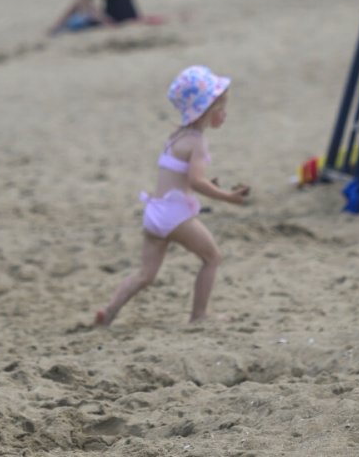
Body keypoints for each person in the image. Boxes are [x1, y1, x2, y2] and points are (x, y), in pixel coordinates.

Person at [95, 66, 248, 325]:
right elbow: (196, 181)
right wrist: (227, 196)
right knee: (212, 258)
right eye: (221, 108)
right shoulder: (198, 143)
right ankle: (199, 315)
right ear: (207, 110)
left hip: (154, 212)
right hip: (175, 216)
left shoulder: (176, 136)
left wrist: (207, 183)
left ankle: (109, 311)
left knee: (145, 275)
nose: (225, 114)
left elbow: (181, 176)